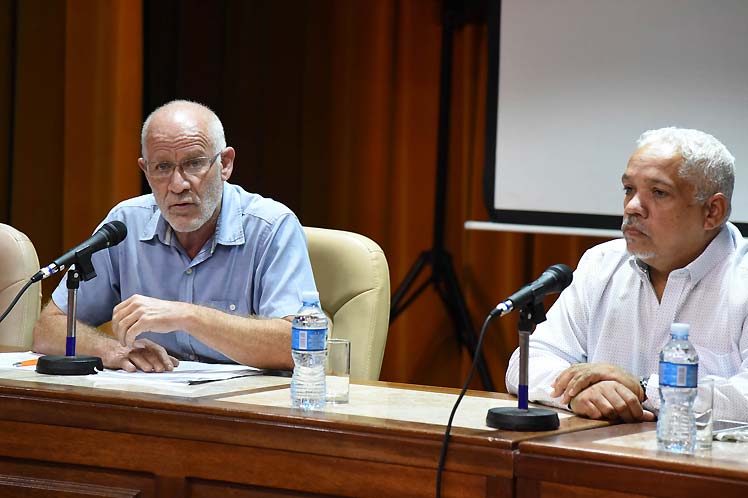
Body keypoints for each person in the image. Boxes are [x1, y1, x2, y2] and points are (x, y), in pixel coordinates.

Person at [33, 100, 316, 372]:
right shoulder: (125, 225)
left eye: (194, 164)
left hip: (246, 409)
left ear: (225, 164)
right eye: (163, 168)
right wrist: (112, 351)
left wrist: (187, 316)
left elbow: (300, 346)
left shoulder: (271, 227)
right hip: (156, 404)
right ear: (146, 170)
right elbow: (49, 329)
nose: (178, 184)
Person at [506, 127, 748, 423]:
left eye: (659, 193)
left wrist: (645, 389)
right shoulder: (602, 264)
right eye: (629, 189)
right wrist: (579, 392)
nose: (632, 206)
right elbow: (527, 361)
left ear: (712, 211)